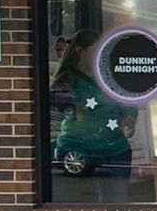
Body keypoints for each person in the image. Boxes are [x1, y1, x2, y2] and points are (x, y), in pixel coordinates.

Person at [51, 29, 134, 201]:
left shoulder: (110, 76)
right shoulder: (65, 81)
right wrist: (73, 110)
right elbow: (54, 116)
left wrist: (130, 117)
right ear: (80, 52)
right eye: (96, 50)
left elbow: (127, 100)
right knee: (81, 206)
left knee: (116, 206)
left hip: (116, 150)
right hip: (77, 151)